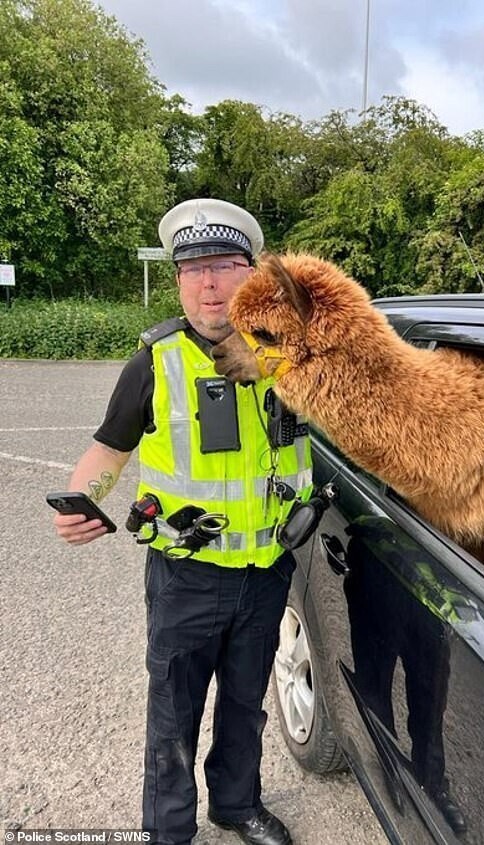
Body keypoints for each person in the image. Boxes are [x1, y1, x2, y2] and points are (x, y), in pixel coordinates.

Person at [53, 198, 313, 845]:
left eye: (225, 264)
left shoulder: (290, 354)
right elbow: (109, 448)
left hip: (265, 570)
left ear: (253, 272)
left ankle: (236, 803)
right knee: (173, 712)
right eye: (193, 267)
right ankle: (168, 830)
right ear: (177, 279)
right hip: (186, 575)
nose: (208, 282)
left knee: (245, 704)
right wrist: (82, 496)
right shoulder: (156, 360)